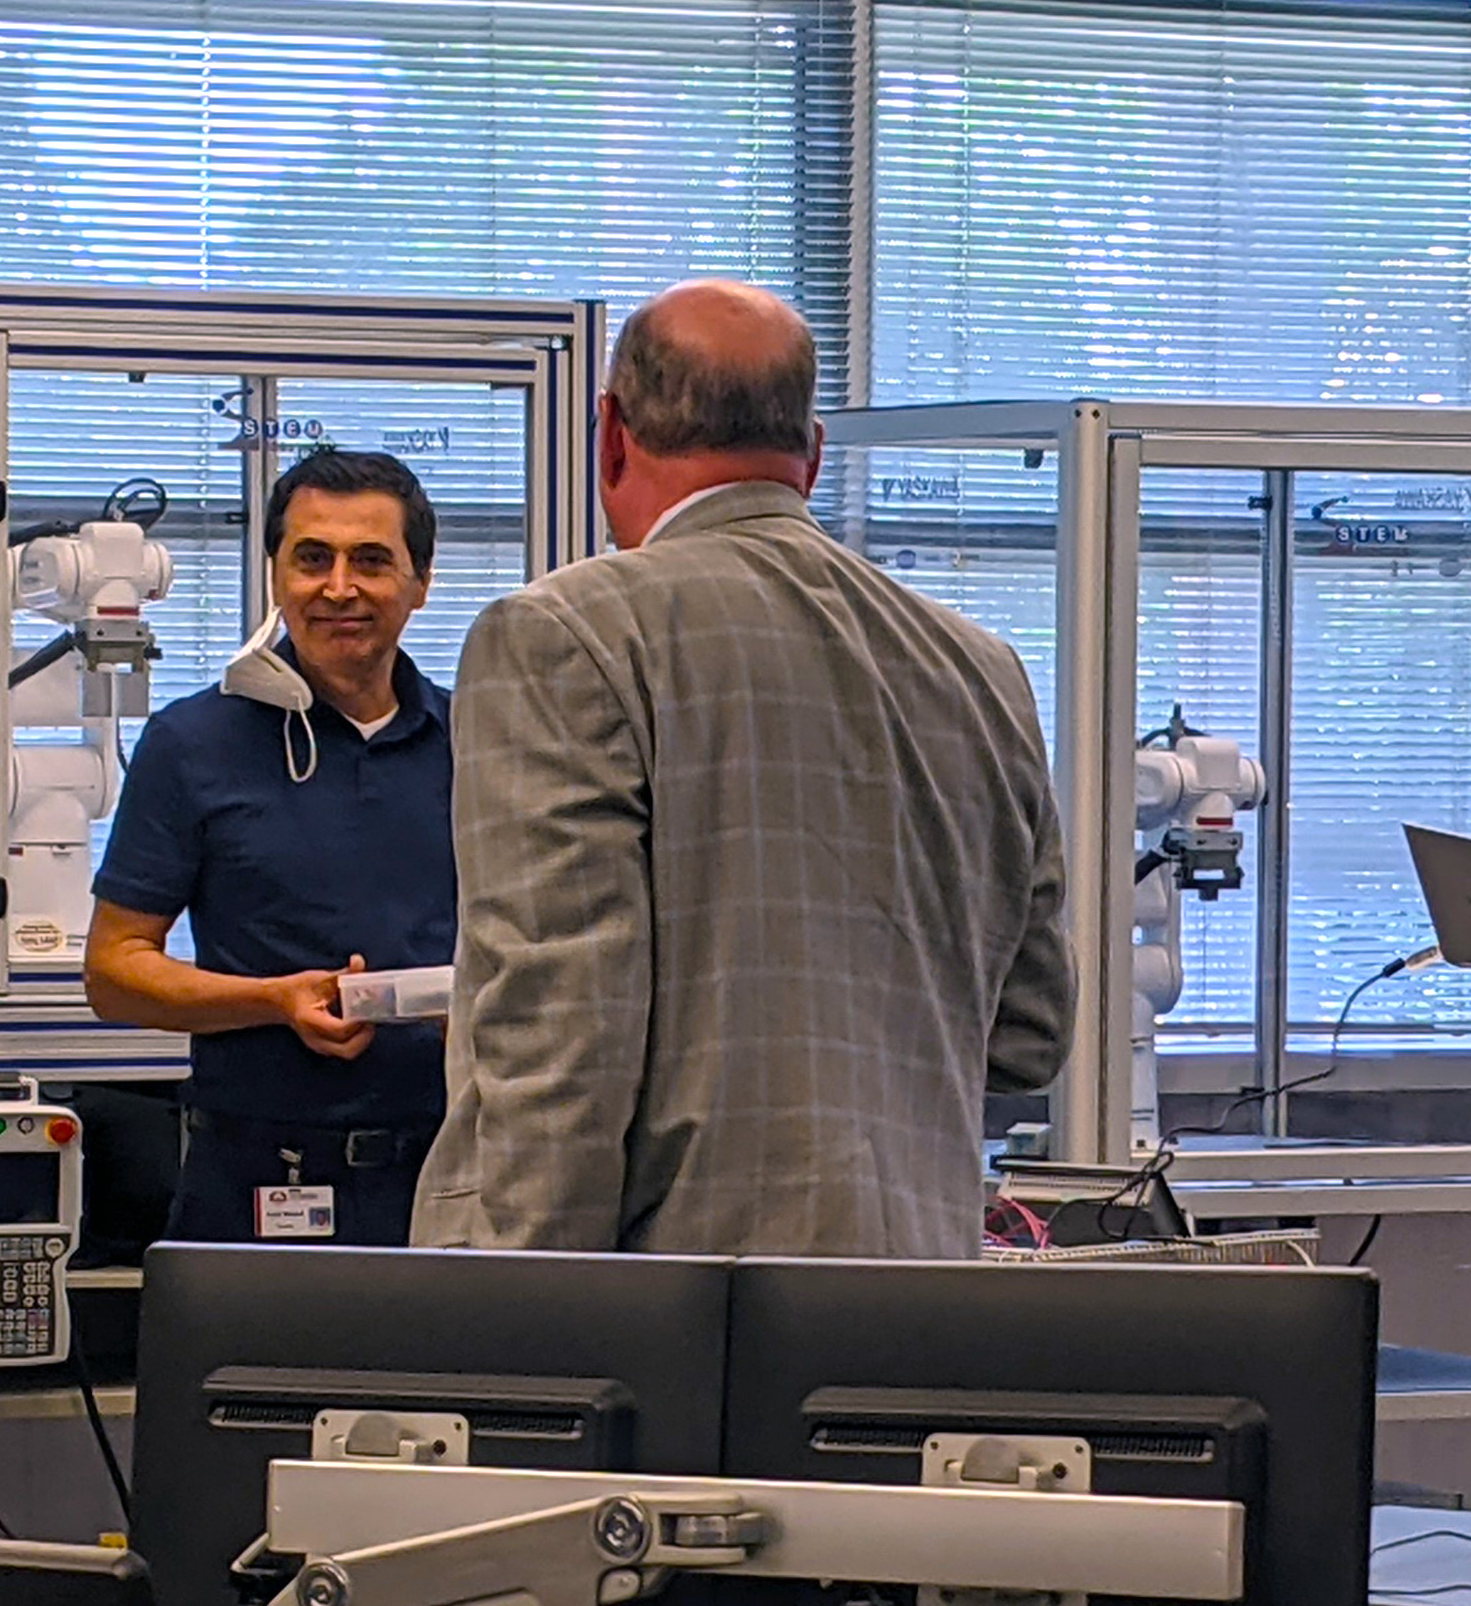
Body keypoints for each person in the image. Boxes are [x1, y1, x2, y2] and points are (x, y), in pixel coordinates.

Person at [413, 279, 1070, 1255]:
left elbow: (560, 1050)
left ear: (610, 435)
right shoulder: (980, 666)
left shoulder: (564, 636)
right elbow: (1027, 1036)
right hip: (922, 1294)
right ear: (809, 456)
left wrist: (512, 1338)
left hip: (676, 1313)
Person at [82, 449, 454, 1245]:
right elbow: (115, 974)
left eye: (372, 561)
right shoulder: (193, 743)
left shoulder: (481, 742)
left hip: (450, 1172)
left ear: (420, 583)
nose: (339, 587)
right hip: (260, 1175)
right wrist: (273, 1001)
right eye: (312, 559)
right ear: (276, 576)